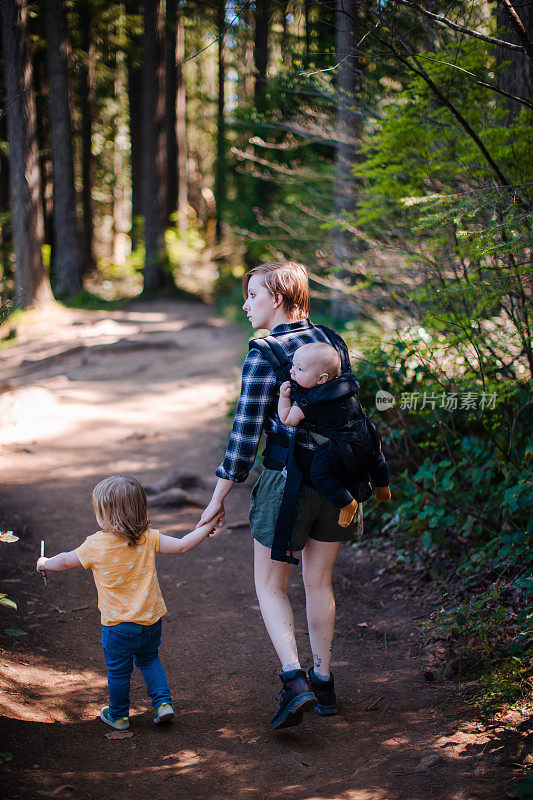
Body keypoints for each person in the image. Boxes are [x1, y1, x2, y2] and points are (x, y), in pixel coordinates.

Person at [197, 261, 365, 729]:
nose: (246, 304)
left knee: (271, 585)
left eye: (252, 295)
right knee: (319, 583)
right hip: (336, 483)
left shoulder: (264, 353)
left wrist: (217, 498)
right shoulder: (332, 341)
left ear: (277, 297)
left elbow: (245, 435)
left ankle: (294, 682)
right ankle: (325, 682)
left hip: (286, 483)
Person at [36, 474, 220, 731]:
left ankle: (119, 715)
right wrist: (204, 528)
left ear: (105, 516)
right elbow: (181, 546)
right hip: (151, 621)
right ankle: (163, 704)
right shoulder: (148, 537)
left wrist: (45, 563)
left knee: (119, 672)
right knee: (150, 660)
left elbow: (65, 560)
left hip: (118, 626)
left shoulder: (94, 545)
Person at [277, 341, 391, 528]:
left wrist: (284, 397)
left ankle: (346, 503)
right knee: (376, 457)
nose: (292, 371)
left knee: (320, 474)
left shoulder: (309, 402)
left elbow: (287, 418)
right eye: (292, 366)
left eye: (299, 369)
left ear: (321, 379)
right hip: (366, 434)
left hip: (341, 446)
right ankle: (382, 486)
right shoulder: (346, 384)